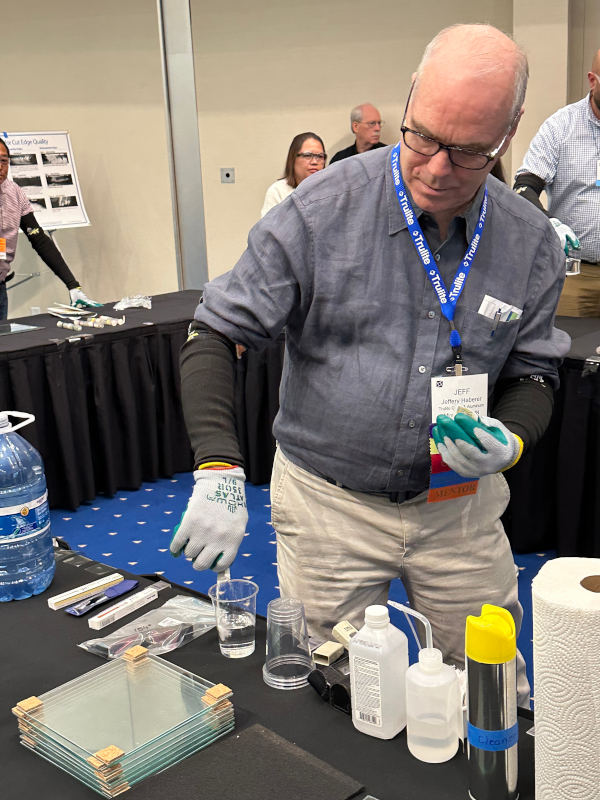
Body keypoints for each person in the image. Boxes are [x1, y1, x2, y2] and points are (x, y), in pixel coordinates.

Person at [172, 23, 570, 707]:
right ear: (409, 103)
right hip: (331, 507)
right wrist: (217, 464)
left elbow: (534, 372)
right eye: (423, 137)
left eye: (470, 152)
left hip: (459, 509)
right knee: (339, 698)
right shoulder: (321, 209)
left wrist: (511, 437)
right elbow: (215, 332)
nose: (438, 168)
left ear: (509, 134)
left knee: (491, 691)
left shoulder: (529, 241)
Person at [513, 50, 600, 316]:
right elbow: (524, 187)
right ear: (592, 80)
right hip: (578, 273)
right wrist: (549, 223)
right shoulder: (561, 127)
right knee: (570, 350)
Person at [0, 139, 100, 320]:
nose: (0, 167)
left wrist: (72, 285)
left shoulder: (14, 193)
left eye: (4, 161)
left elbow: (38, 238)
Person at [261, 133, 326, 217]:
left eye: (320, 156)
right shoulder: (278, 191)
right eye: (307, 155)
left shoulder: (332, 190)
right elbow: (268, 228)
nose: (314, 162)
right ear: (293, 158)